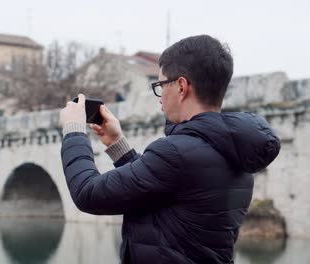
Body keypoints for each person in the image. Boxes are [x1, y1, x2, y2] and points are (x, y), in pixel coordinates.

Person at [59, 35, 281, 263]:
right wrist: (118, 146)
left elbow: (88, 193)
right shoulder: (236, 154)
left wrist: (74, 131)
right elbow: (157, 190)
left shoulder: (176, 154)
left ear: (181, 86)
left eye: (160, 85)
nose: (159, 97)